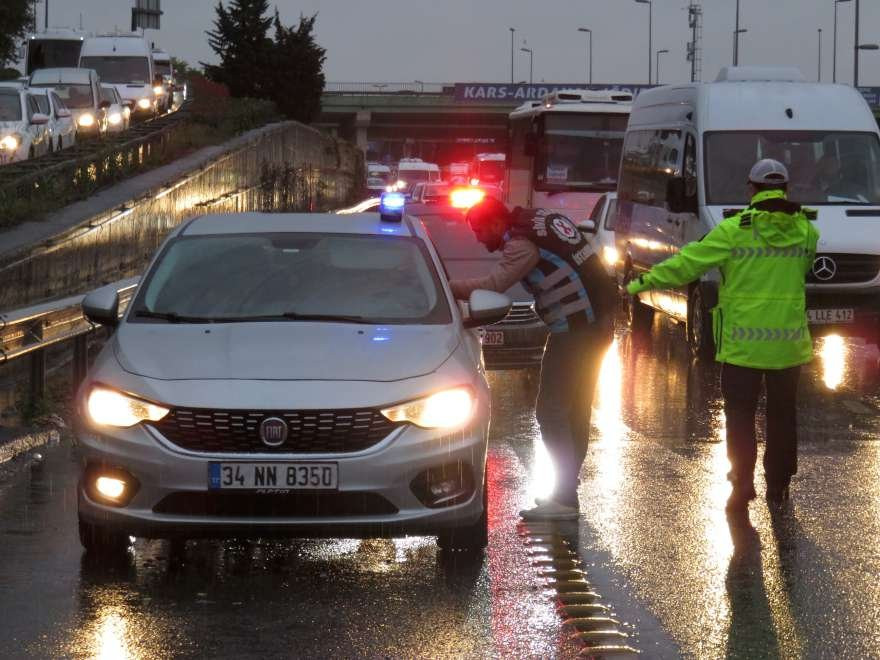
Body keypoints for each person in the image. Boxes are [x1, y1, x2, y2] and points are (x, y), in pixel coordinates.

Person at [626, 159, 820, 512]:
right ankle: (778, 486)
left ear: (751, 189)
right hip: (788, 347)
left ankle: (743, 484)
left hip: (743, 346)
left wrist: (643, 282)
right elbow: (804, 267)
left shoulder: (733, 231)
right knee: (782, 416)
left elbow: (688, 264)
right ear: (786, 190)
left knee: (741, 417)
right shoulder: (806, 231)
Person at [450, 196, 617, 521]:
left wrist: (445, 286)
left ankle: (565, 499)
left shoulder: (521, 242)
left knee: (551, 410)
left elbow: (494, 285)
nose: (479, 239)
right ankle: (565, 493)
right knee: (575, 411)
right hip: (598, 322)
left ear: (497, 223)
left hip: (574, 330)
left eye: (481, 230)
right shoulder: (539, 221)